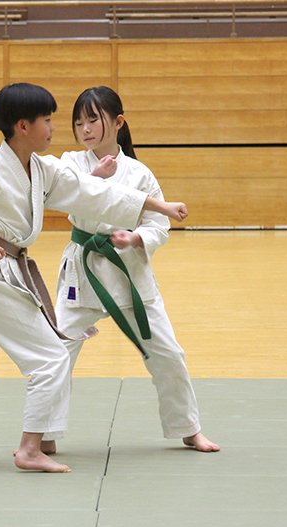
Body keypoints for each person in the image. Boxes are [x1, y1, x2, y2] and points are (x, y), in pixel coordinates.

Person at [0, 83, 190, 473]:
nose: (55, 128)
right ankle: (30, 449)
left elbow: (93, 193)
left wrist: (159, 205)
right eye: (48, 120)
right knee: (50, 358)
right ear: (23, 126)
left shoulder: (42, 170)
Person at [43, 86, 219, 454]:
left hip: (129, 274)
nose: (85, 129)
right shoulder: (71, 163)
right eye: (78, 123)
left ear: (118, 122)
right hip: (84, 271)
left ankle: (188, 428)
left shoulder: (139, 173)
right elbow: (67, 194)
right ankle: (43, 434)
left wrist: (137, 238)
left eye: (93, 120)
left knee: (168, 353)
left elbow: (158, 224)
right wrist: (94, 175)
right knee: (56, 352)